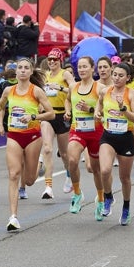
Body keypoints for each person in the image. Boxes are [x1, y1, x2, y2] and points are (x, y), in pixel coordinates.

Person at [0, 58, 55, 231]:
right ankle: (13, 217)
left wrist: (33, 117)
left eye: (26, 68)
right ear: (15, 72)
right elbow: (0, 105)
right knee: (13, 174)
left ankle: (34, 166)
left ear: (31, 72)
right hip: (14, 136)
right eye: (20, 68)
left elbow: (51, 114)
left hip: (32, 137)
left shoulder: (36, 91)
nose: (23, 70)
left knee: (30, 180)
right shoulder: (9, 90)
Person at [95, 63, 134, 225]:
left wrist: (123, 108)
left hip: (126, 137)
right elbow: (99, 103)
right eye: (114, 74)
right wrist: (97, 112)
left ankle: (126, 206)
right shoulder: (105, 91)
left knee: (124, 177)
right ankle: (108, 196)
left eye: (121, 75)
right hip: (108, 136)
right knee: (105, 170)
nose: (116, 78)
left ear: (128, 78)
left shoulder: (132, 94)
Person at [64, 56, 106, 221]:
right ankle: (77, 193)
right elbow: (68, 101)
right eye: (79, 67)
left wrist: (94, 109)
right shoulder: (73, 87)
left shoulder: (99, 88)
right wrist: (68, 111)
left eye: (84, 67)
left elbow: (105, 106)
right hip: (78, 130)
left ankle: (101, 199)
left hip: (96, 132)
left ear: (92, 68)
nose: (81, 70)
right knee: (72, 160)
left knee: (96, 169)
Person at [40, 48, 76, 198]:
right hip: (48, 115)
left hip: (63, 115)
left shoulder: (64, 74)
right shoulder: (45, 76)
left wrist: (60, 88)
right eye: (49, 59)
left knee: (64, 153)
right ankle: (48, 187)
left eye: (55, 59)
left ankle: (69, 175)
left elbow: (75, 89)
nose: (52, 62)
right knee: (47, 149)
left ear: (60, 60)